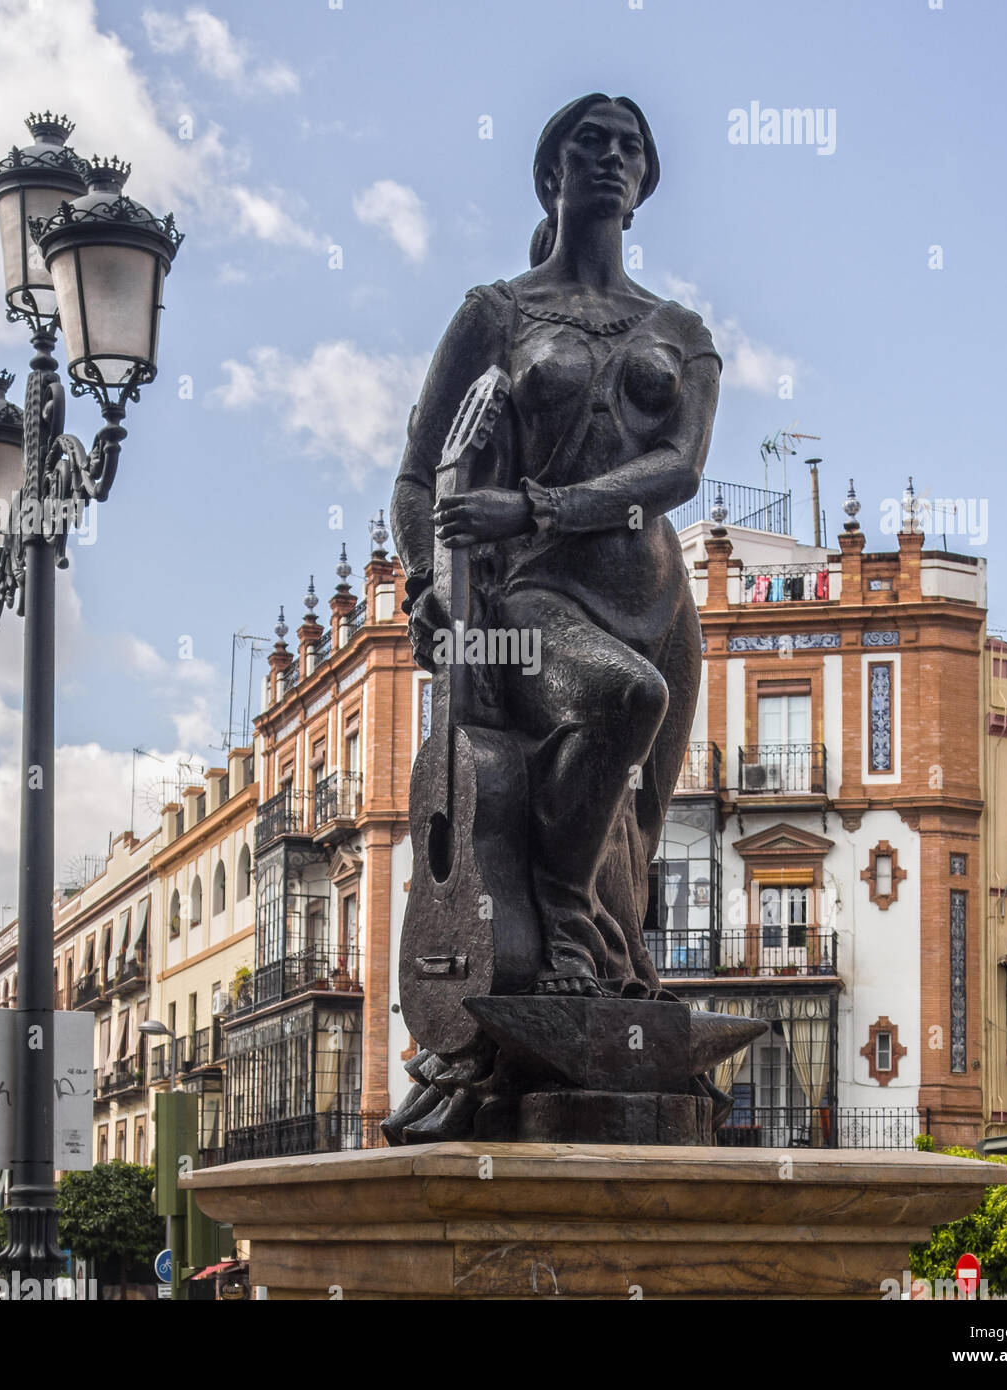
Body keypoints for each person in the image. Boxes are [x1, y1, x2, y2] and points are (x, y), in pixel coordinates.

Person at [391, 93, 722, 1002]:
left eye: (630, 147)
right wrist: (429, 578)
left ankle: (610, 977)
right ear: (552, 174)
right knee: (626, 699)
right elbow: (418, 477)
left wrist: (535, 504)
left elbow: (679, 469)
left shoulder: (681, 332)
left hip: (659, 602)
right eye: (590, 142)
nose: (613, 157)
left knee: (638, 819)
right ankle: (560, 921)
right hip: (535, 595)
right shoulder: (495, 314)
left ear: (645, 181)